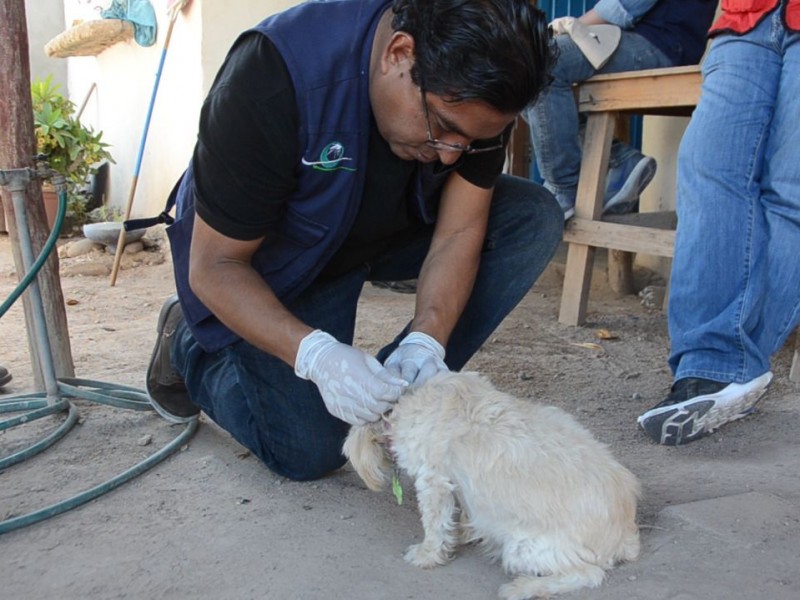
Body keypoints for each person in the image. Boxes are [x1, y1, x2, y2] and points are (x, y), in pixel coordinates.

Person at [143, 0, 562, 481]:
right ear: (398, 54)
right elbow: (215, 266)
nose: (450, 158)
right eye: (443, 128)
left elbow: (461, 230)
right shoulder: (271, 76)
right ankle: (187, 346)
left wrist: (428, 338)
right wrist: (317, 358)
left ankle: (397, 395)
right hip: (282, 257)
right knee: (312, 452)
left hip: (388, 224)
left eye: (468, 143)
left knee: (531, 217)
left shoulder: (474, 96)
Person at [638, 0, 800, 446]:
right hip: (746, 16)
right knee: (708, 168)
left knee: (791, 190)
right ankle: (719, 369)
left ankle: (720, 373)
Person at [524, 0, 718, 220]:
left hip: (659, 43)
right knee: (522, 71)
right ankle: (619, 158)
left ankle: (565, 188)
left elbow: (624, 6)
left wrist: (573, 27)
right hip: (649, 40)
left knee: (541, 63)